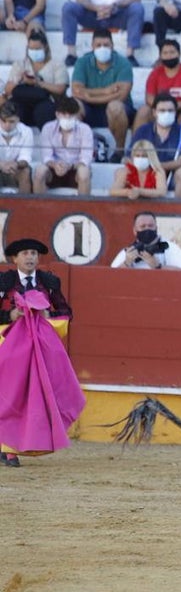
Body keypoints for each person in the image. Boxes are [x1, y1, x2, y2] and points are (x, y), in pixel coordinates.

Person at [0, 237, 82, 468]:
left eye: (34, 254)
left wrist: (48, 317)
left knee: (28, 396)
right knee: (9, 394)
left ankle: (12, 449)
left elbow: (66, 311)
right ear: (15, 258)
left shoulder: (49, 282)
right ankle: (7, 447)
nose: (30, 257)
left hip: (36, 350)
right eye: (25, 253)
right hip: (7, 348)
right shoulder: (3, 282)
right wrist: (10, 316)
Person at [70, 29, 135, 155]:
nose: (102, 48)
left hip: (119, 112)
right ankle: (79, 152)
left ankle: (119, 151)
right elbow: (76, 91)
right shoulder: (82, 62)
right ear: (92, 46)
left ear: (112, 46)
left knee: (114, 106)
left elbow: (121, 96)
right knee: (73, 106)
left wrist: (88, 95)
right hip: (90, 110)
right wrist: (107, 91)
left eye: (106, 45)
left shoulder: (124, 63)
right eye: (98, 45)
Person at [137, 39, 181, 155]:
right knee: (143, 110)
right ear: (160, 56)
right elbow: (149, 97)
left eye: (172, 52)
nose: (169, 56)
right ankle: (136, 149)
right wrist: (162, 109)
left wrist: (172, 108)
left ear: (179, 54)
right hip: (159, 112)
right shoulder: (155, 74)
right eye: (165, 53)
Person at [1, 30, 67, 130]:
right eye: (31, 49)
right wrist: (21, 79)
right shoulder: (20, 64)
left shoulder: (57, 65)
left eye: (37, 49)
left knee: (43, 111)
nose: (34, 52)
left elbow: (60, 89)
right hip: (23, 102)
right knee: (15, 109)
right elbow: (8, 89)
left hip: (46, 103)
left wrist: (38, 83)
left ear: (45, 47)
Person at [128, 94, 181, 197]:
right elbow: (128, 157)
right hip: (145, 174)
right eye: (162, 110)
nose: (166, 113)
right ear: (154, 112)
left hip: (170, 176)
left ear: (175, 112)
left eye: (170, 111)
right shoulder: (143, 130)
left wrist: (157, 167)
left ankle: (180, 211)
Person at [33, 98, 93, 195]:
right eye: (64, 114)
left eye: (71, 115)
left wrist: (70, 166)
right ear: (57, 114)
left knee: (84, 172)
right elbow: (46, 156)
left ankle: (83, 208)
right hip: (54, 169)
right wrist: (55, 165)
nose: (68, 117)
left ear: (77, 115)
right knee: (40, 171)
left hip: (75, 170)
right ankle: (39, 207)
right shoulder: (48, 128)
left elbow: (86, 159)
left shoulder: (85, 129)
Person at [110, 211, 181, 270]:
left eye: (150, 226)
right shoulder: (128, 252)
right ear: (135, 231)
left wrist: (158, 266)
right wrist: (126, 263)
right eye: (143, 226)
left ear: (156, 228)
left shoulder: (169, 247)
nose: (147, 229)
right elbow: (111, 277)